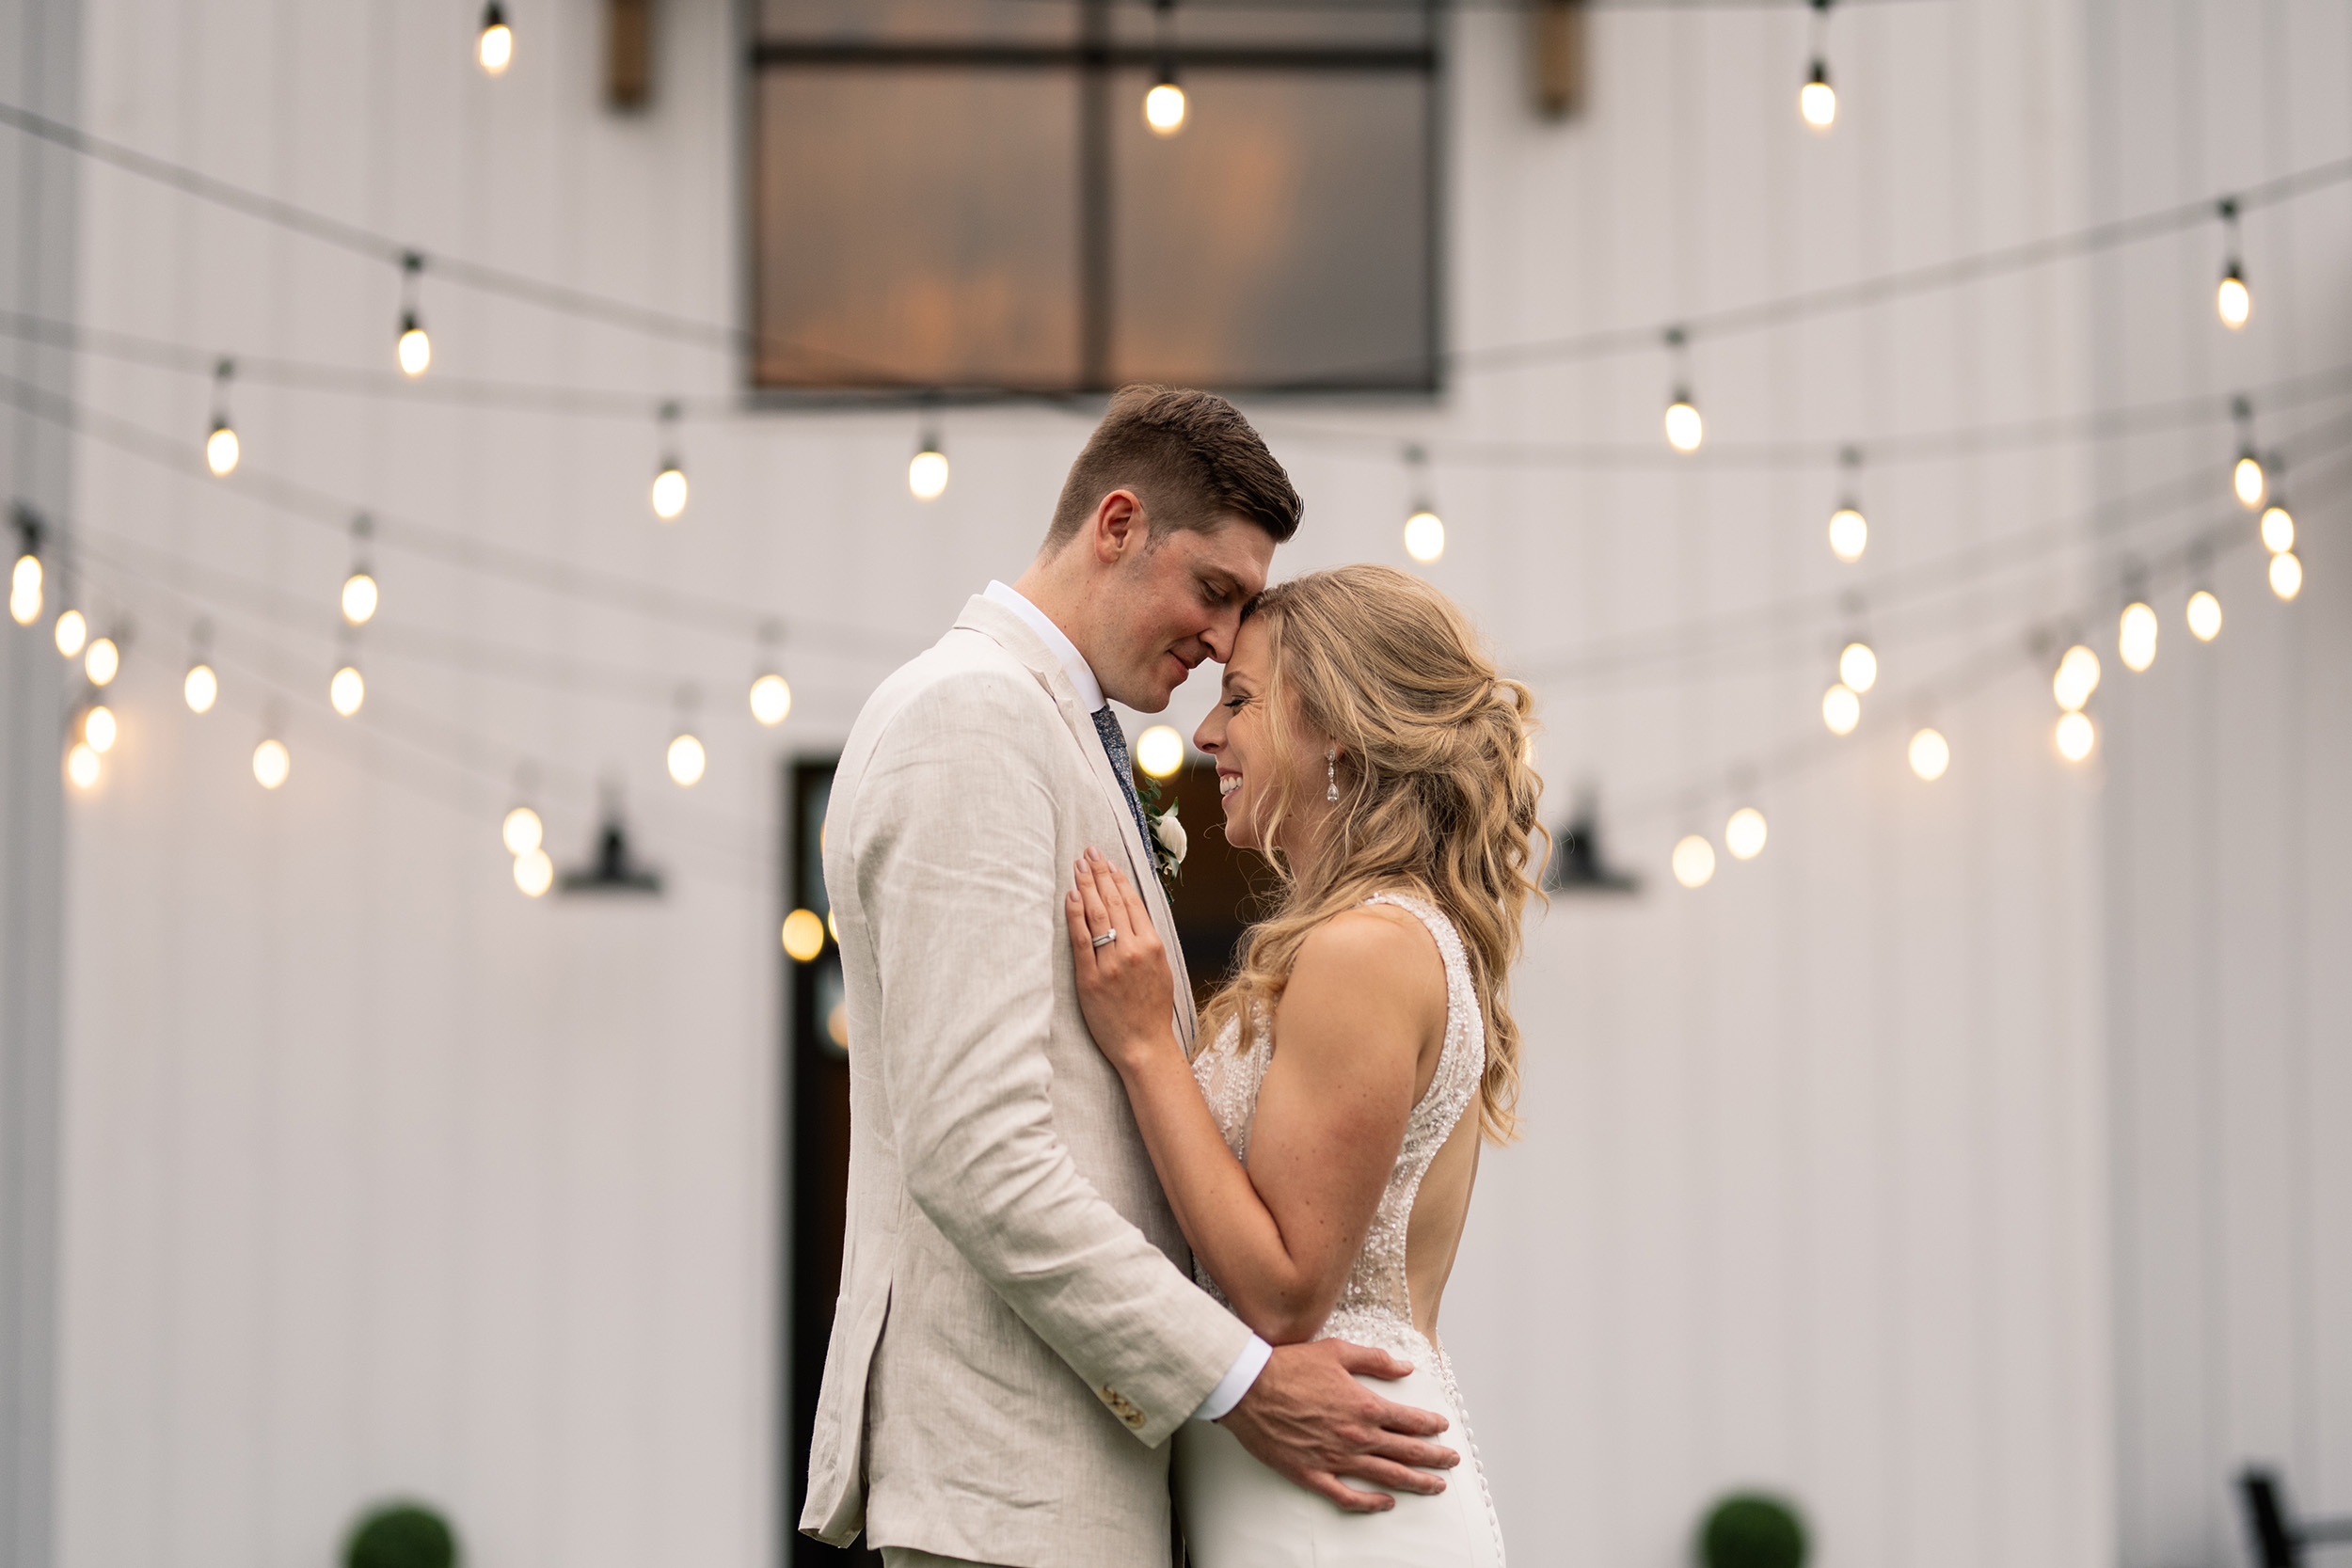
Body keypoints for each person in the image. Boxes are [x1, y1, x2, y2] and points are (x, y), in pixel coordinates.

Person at [801, 389, 1460, 1568]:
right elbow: (976, 1149)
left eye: (1244, 612)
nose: (1220, 643)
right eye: (1212, 590)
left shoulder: (1066, 733)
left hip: (1100, 1486)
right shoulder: (973, 720)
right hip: (1012, 1484)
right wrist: (1233, 1376)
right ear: (1115, 524)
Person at [1062, 564, 1541, 1567]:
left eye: (1238, 697)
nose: (1206, 733)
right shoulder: (1374, 936)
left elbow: (1284, 1294)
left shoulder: (1365, 949)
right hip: (1310, 1483)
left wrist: (1149, 1043)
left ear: (1333, 728)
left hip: (1344, 1503)